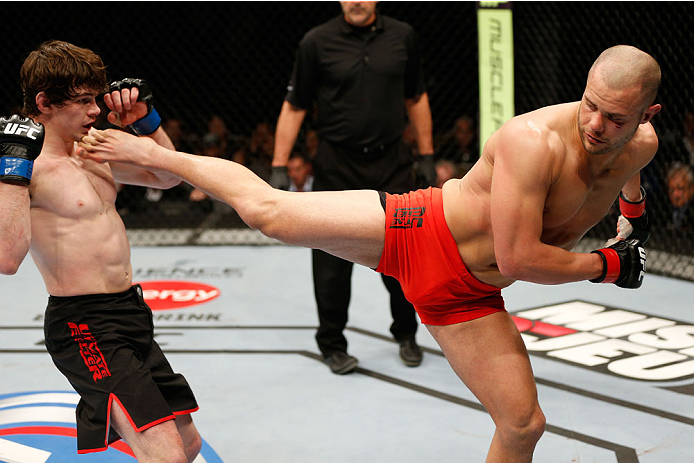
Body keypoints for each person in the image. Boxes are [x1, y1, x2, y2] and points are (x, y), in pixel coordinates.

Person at [78, 44, 658, 462]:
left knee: (524, 424)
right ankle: (148, 142)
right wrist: (607, 265)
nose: (597, 125)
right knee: (270, 214)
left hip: (469, 296)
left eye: (616, 118)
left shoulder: (640, 145)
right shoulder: (533, 141)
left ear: (645, 118)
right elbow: (519, 260)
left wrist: (632, 218)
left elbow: (628, 175)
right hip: (420, 231)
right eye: (590, 106)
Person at [0, 40, 202, 462]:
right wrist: (11, 172)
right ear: (45, 102)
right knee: (166, 454)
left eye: (96, 97)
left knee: (187, 444)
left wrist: (147, 123)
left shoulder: (94, 148)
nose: (97, 110)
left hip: (130, 311)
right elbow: (7, 257)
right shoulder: (26, 168)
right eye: (84, 100)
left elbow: (166, 177)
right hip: (84, 324)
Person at [269, 1, 436, 374]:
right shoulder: (316, 42)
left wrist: (426, 154)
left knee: (405, 253)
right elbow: (295, 105)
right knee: (330, 258)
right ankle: (331, 343)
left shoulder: (402, 36)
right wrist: (279, 163)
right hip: (337, 164)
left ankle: (407, 333)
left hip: (392, 162)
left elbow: (416, 96)